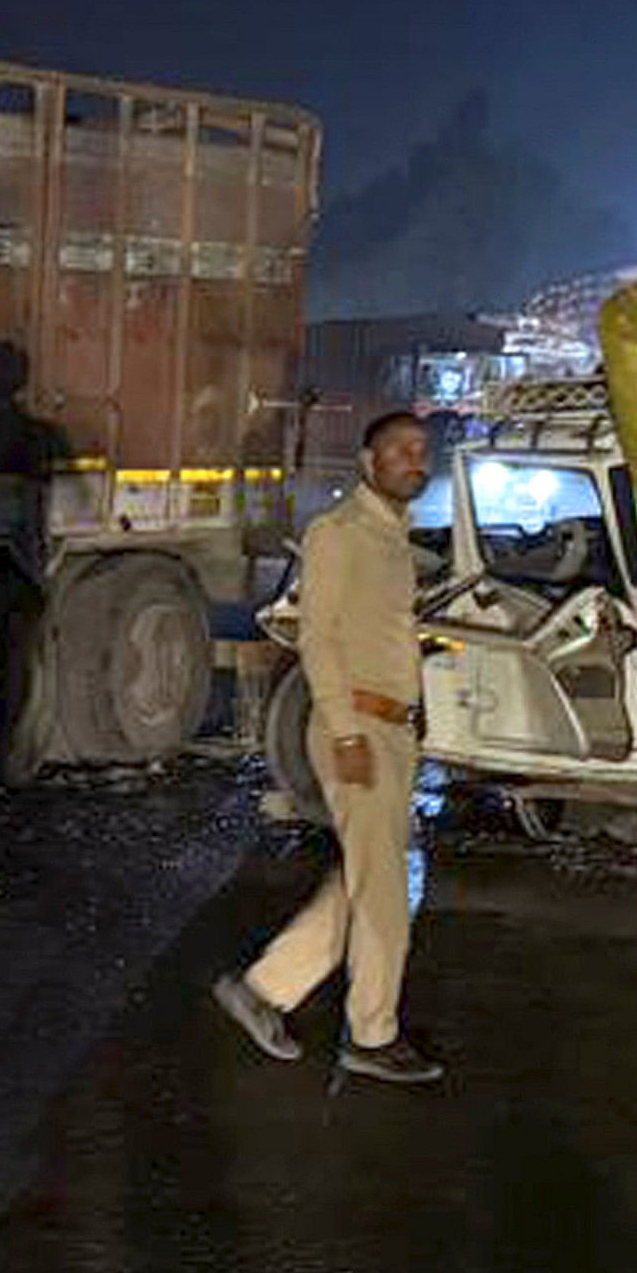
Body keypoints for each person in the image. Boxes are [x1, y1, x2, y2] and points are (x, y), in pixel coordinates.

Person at [213, 410, 444, 1085]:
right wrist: (344, 730)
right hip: (357, 728)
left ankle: (261, 990)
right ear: (367, 463)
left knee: (363, 879)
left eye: (420, 450)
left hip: (392, 728)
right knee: (383, 894)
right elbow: (316, 638)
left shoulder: (395, 539)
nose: (412, 458)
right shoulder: (338, 534)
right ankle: (371, 1035)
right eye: (398, 449)